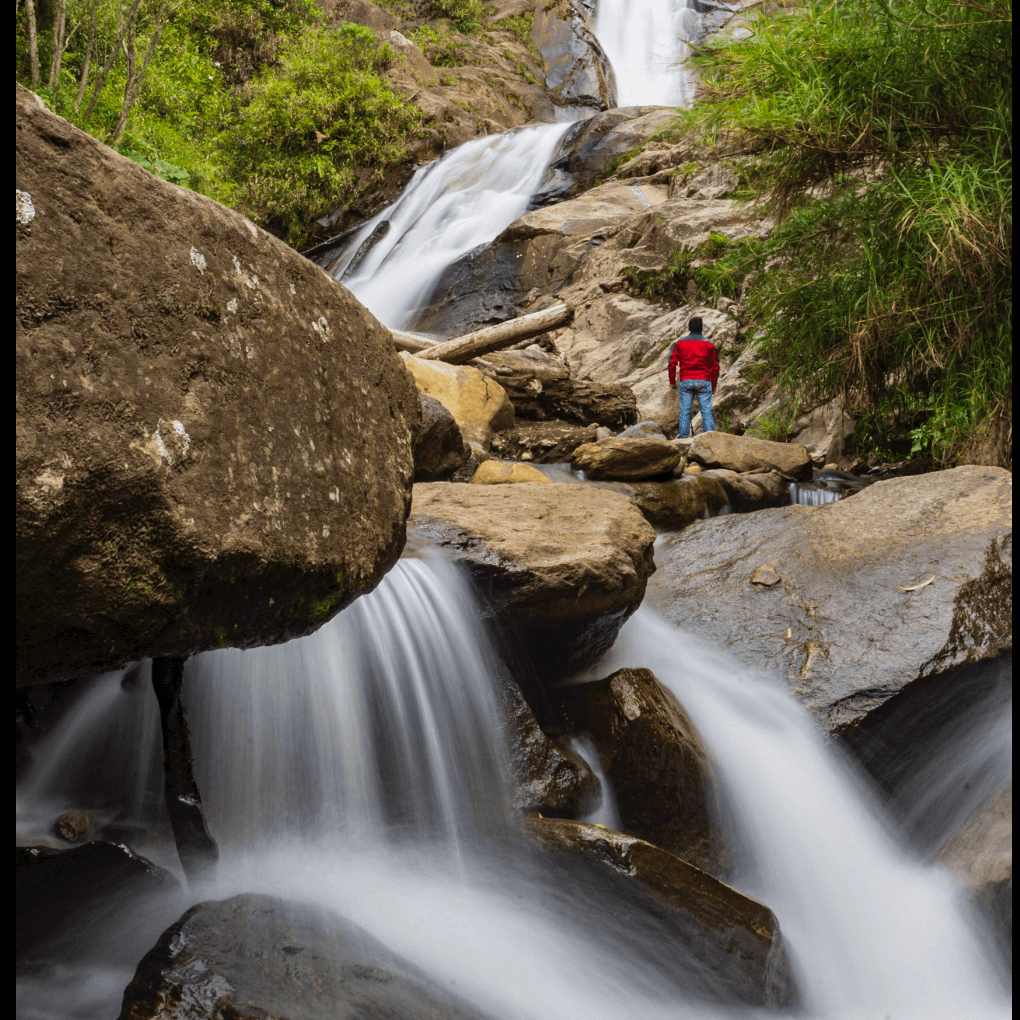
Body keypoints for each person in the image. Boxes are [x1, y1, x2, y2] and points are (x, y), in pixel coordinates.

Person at [668, 316, 718, 438]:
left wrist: (672, 381)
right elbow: (715, 367)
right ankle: (710, 437)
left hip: (686, 380)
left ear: (689, 328)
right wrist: (714, 385)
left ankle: (683, 438)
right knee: (706, 411)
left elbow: (672, 363)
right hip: (704, 380)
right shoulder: (709, 344)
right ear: (702, 328)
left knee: (685, 412)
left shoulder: (680, 343)